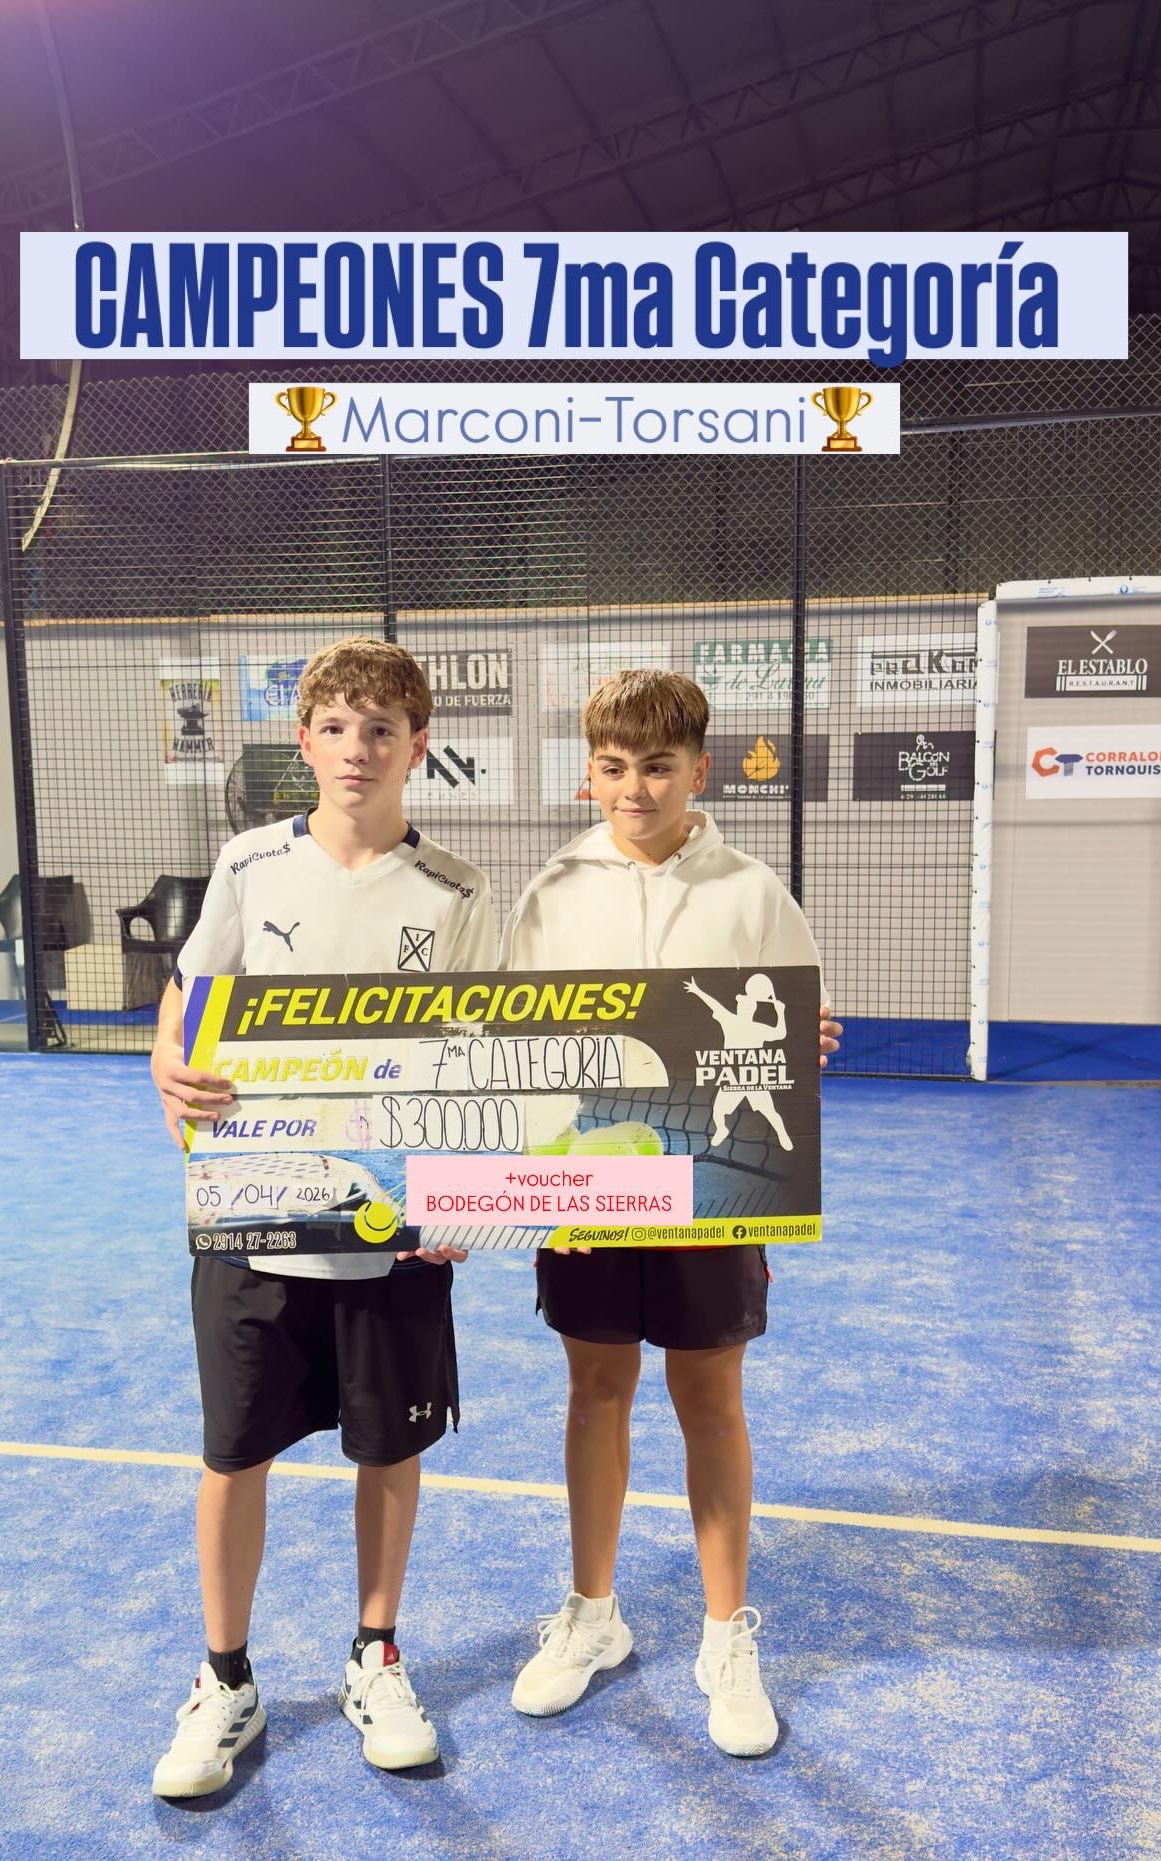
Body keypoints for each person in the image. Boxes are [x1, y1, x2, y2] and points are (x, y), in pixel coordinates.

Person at [147, 637, 495, 1794]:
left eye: (382, 729)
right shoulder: (248, 865)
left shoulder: (458, 890)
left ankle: (375, 1654)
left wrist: (465, 1186)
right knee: (233, 1449)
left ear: (418, 746)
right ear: (305, 741)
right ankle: (225, 1680)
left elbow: (483, 1056)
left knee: (390, 1446)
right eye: (337, 727)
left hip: (395, 1225)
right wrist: (164, 1064)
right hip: (254, 1210)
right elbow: (185, 1003)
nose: (358, 749)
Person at [500, 668, 839, 1758]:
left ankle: (725, 1636)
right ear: (589, 771)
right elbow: (515, 1047)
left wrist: (805, 1044)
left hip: (712, 1188)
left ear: (699, 768)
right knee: (596, 1390)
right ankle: (594, 1615)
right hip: (589, 1187)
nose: (634, 788)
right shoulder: (552, 890)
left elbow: (788, 1045)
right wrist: (535, 1176)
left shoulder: (753, 891)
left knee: (710, 1400)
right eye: (613, 766)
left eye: (657, 765)